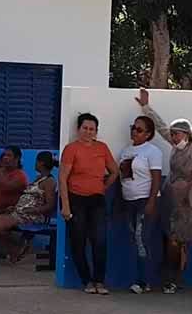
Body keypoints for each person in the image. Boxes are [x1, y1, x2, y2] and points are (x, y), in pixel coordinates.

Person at [136, 88, 192, 295]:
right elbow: (163, 127)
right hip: (172, 200)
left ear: (188, 134)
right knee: (171, 239)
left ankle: (173, 280)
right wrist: (146, 107)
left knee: (179, 242)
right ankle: (170, 279)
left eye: (177, 134)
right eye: (173, 135)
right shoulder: (176, 147)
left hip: (190, 204)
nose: (173, 137)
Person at [59, 113, 119, 295]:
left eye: (92, 129)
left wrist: (103, 186)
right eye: (85, 128)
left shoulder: (102, 148)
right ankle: (86, 281)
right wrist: (66, 205)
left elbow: (114, 172)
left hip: (96, 200)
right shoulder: (71, 149)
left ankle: (99, 281)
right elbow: (62, 179)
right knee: (78, 242)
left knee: (99, 241)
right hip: (76, 199)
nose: (88, 131)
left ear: (96, 131)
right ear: (78, 129)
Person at [0, 151, 58, 263]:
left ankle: (17, 247)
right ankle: (15, 247)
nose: (35, 164)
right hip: (20, 212)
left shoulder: (49, 182)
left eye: (37, 161)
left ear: (41, 163)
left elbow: (50, 205)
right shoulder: (38, 178)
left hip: (32, 215)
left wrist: (33, 210)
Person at [118, 115, 162, 294]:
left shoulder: (152, 152)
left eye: (139, 129)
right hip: (129, 201)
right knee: (135, 240)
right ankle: (142, 278)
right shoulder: (125, 151)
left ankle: (144, 281)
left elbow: (156, 178)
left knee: (141, 239)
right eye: (133, 127)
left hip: (145, 200)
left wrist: (151, 201)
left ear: (148, 134)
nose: (134, 131)